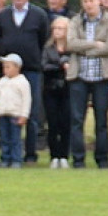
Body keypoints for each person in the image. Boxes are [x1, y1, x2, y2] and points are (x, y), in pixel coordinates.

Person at [0, 0, 48, 163]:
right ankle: (7, 152)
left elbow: (43, 40)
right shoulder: (3, 16)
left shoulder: (39, 15)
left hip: (31, 71)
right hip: (8, 72)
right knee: (5, 110)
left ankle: (30, 153)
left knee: (31, 113)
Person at [66, 0, 108, 169]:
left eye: (91, 0)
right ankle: (78, 160)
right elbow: (70, 44)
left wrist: (85, 49)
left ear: (98, 1)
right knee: (76, 120)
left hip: (102, 78)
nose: (88, 4)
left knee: (101, 120)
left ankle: (102, 159)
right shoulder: (75, 21)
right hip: (79, 77)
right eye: (85, 1)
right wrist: (94, 44)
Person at [41, 16, 71, 168]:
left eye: (61, 28)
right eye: (55, 28)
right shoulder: (48, 48)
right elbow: (45, 66)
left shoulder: (72, 49)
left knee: (66, 123)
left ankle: (64, 155)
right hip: (51, 89)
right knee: (52, 123)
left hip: (68, 90)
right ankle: (54, 155)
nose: (57, 31)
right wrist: (61, 65)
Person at [0, 53, 31, 168]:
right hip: (3, 113)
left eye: (8, 67)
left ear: (17, 67)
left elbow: (26, 100)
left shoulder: (22, 82)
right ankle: (5, 158)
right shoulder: (1, 81)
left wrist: (24, 115)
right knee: (4, 138)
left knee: (15, 139)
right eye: (4, 67)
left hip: (15, 114)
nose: (5, 69)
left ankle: (16, 159)